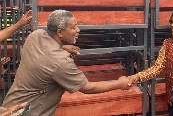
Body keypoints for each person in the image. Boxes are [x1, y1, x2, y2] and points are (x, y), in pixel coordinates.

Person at [2, 10, 131, 115]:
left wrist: (62, 47)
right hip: (29, 112)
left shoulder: (36, 35)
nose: (78, 30)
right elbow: (88, 88)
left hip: (9, 106)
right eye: (73, 27)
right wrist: (119, 84)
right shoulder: (60, 63)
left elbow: (46, 47)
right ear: (60, 32)